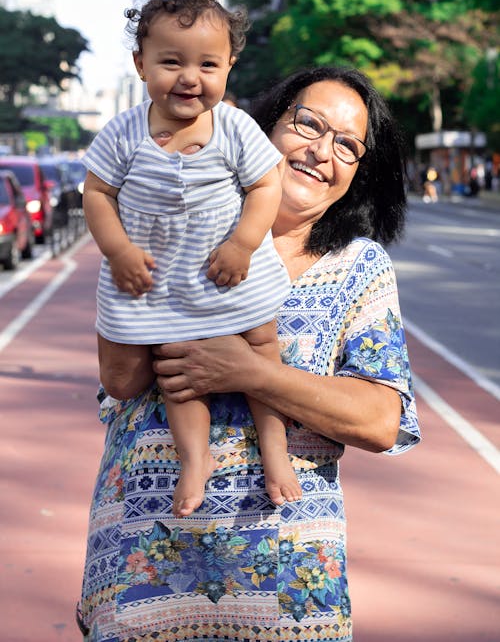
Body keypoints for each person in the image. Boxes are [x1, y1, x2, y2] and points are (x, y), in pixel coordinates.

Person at [78, 65, 421, 642]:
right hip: (141, 562)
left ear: (359, 174)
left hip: (285, 585)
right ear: (258, 128)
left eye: (347, 146)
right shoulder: (176, 225)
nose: (321, 152)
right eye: (307, 124)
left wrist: (250, 372)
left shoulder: (359, 268)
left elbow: (380, 421)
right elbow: (122, 379)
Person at [81, 0, 297, 520]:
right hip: (161, 283)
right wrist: (119, 251)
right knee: (177, 369)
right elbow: (97, 195)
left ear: (228, 68)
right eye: (171, 62)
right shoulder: (123, 134)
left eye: (208, 66)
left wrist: (245, 243)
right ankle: (194, 460)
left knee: (263, 346)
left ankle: (275, 452)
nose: (189, 78)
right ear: (141, 64)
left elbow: (267, 185)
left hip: (228, 272)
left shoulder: (234, 128)